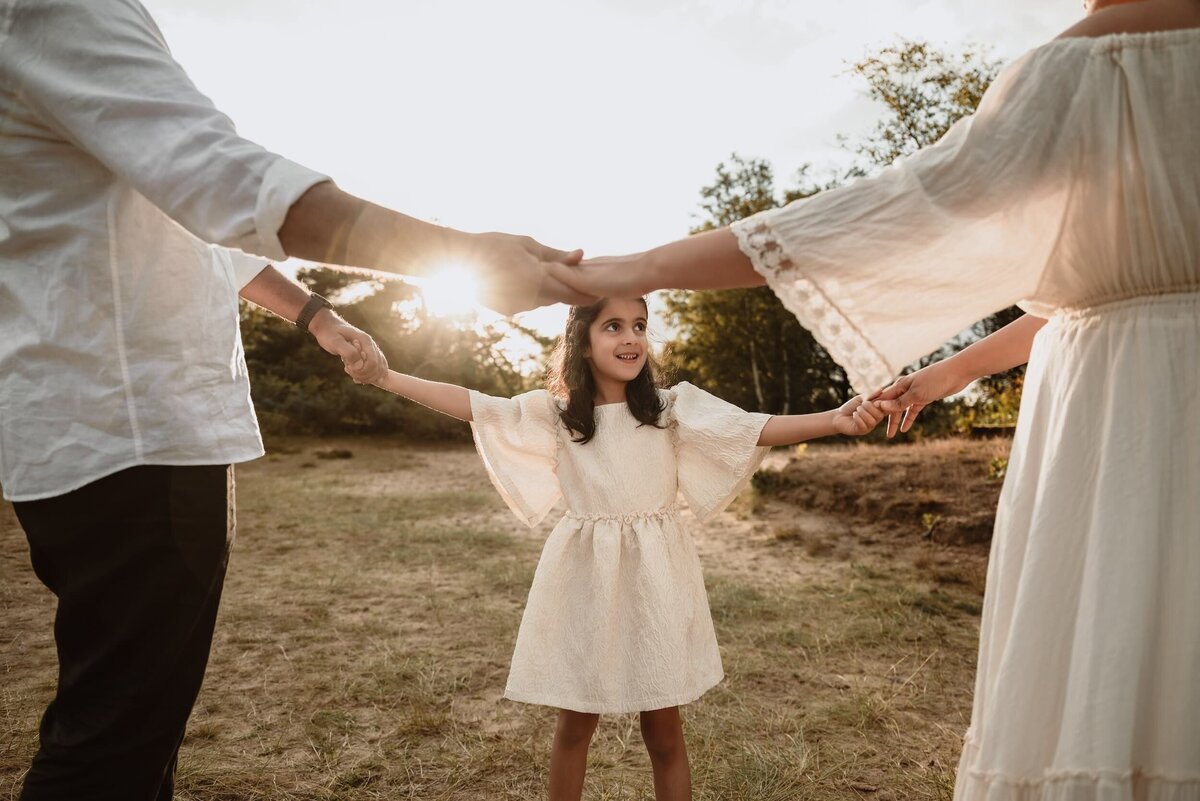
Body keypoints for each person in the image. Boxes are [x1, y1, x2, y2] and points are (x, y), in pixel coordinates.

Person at [552, 1, 1200, 799]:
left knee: (1124, 641)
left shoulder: (1083, 69)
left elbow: (888, 213)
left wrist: (633, 266)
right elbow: (1111, 289)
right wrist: (942, 374)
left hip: (1132, 413)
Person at [0, 1, 587, 798]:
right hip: (133, 434)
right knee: (110, 749)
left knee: (133, 733)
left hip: (112, 430)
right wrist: (457, 253)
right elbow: (219, 178)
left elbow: (193, 223)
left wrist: (319, 317)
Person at [367, 295, 885, 801]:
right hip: (585, 578)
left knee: (663, 731)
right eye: (613, 326)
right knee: (575, 724)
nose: (631, 337)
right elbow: (476, 406)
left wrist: (833, 419)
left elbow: (752, 428)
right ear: (583, 343)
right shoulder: (560, 415)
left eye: (639, 324)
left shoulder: (668, 409)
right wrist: (385, 377)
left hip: (656, 578)